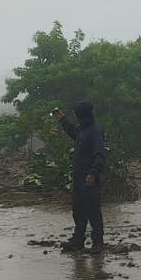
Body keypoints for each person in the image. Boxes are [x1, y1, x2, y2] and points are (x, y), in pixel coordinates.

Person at [55, 101, 106, 254]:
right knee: (78, 209)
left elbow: (100, 154)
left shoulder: (95, 131)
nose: (77, 118)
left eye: (78, 115)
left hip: (89, 176)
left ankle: (98, 243)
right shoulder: (83, 130)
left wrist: (93, 173)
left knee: (92, 210)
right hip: (78, 175)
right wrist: (63, 120)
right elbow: (74, 133)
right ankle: (78, 240)